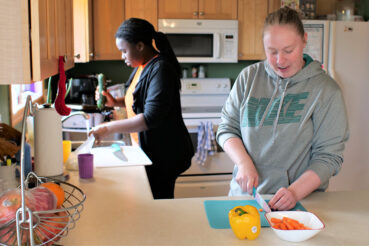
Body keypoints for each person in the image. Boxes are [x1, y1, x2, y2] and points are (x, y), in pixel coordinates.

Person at [216, 7, 349, 211]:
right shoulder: (248, 78)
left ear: (304, 41)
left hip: (301, 203)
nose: (280, 60)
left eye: (288, 50)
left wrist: (294, 192)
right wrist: (243, 163)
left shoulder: (325, 91)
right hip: (246, 198)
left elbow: (328, 157)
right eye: (272, 51)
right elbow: (227, 129)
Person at [89, 18, 194, 199]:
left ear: (139, 46)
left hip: (163, 154)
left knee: (159, 206)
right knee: (151, 203)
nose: (122, 56)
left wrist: (106, 128)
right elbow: (138, 99)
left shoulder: (161, 69)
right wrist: (114, 102)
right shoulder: (142, 66)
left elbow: (150, 117)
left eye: (124, 50)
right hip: (147, 150)